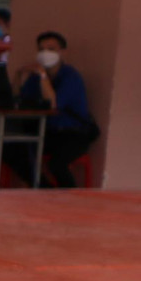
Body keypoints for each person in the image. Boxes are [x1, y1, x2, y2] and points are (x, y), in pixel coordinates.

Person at [11, 30, 99, 188]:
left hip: (73, 134)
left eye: (51, 49)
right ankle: (44, 190)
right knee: (14, 151)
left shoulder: (70, 76)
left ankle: (71, 199)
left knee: (57, 164)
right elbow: (19, 99)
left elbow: (53, 104)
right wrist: (18, 75)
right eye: (41, 49)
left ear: (62, 52)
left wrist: (43, 76)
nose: (45, 53)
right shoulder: (35, 77)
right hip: (47, 132)